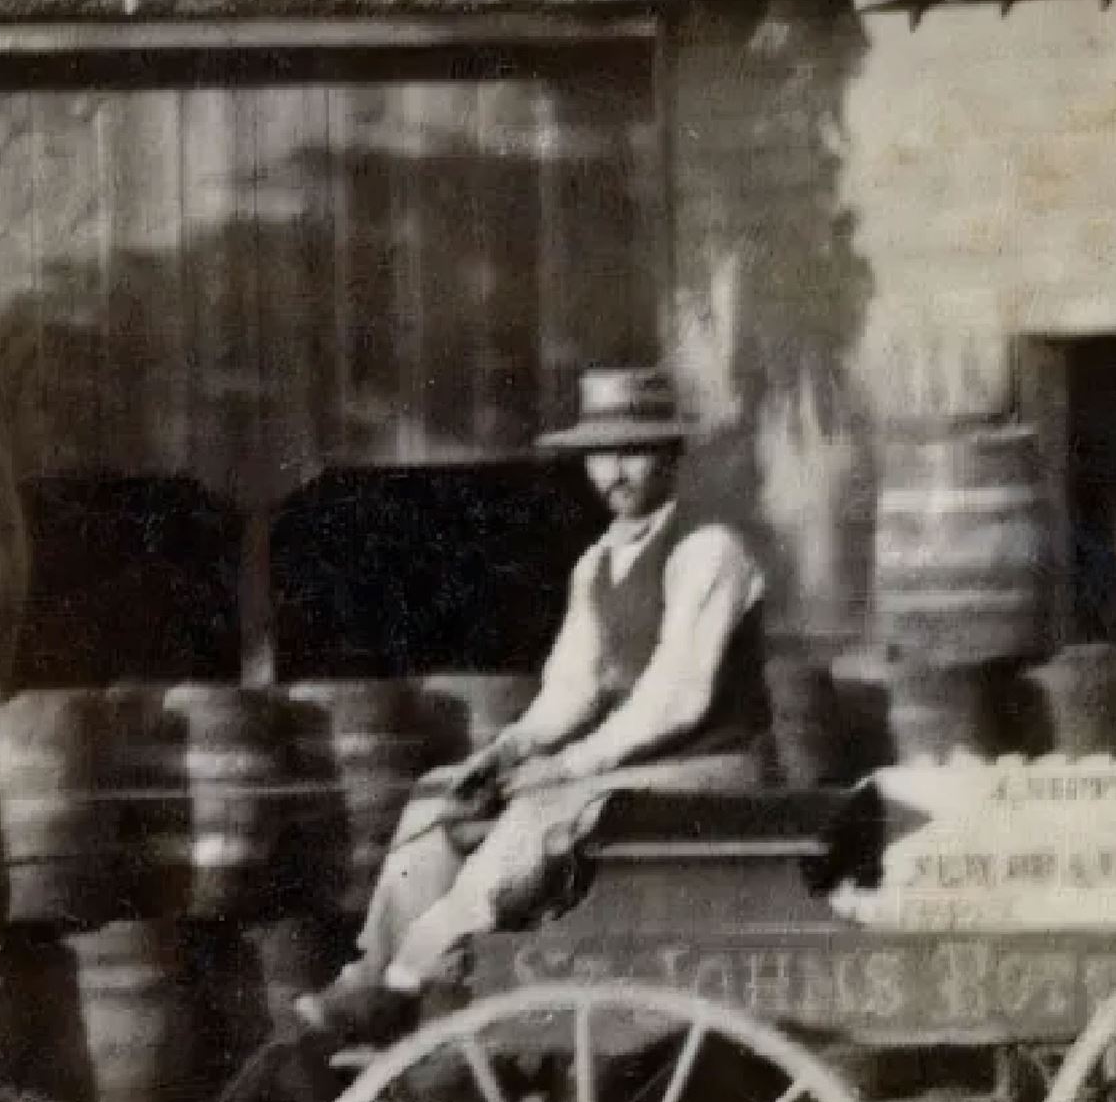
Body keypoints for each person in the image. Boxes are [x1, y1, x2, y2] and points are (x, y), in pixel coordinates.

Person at [294, 365, 771, 1048]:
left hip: (714, 775)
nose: (616, 472)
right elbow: (570, 692)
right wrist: (506, 751)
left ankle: (410, 979)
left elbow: (678, 699)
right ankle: (373, 973)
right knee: (439, 800)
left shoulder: (707, 550)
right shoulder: (597, 565)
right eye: (601, 455)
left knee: (542, 809)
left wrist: (569, 767)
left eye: (634, 451)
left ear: (669, 455)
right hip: (630, 778)